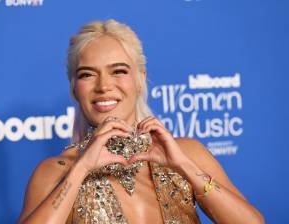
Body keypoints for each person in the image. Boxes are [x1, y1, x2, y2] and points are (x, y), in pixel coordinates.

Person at [17, 19, 264, 224]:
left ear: (140, 79)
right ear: (74, 88)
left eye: (119, 71)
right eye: (87, 74)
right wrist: (80, 170)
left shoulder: (187, 153)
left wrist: (185, 166)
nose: (104, 86)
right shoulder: (56, 171)